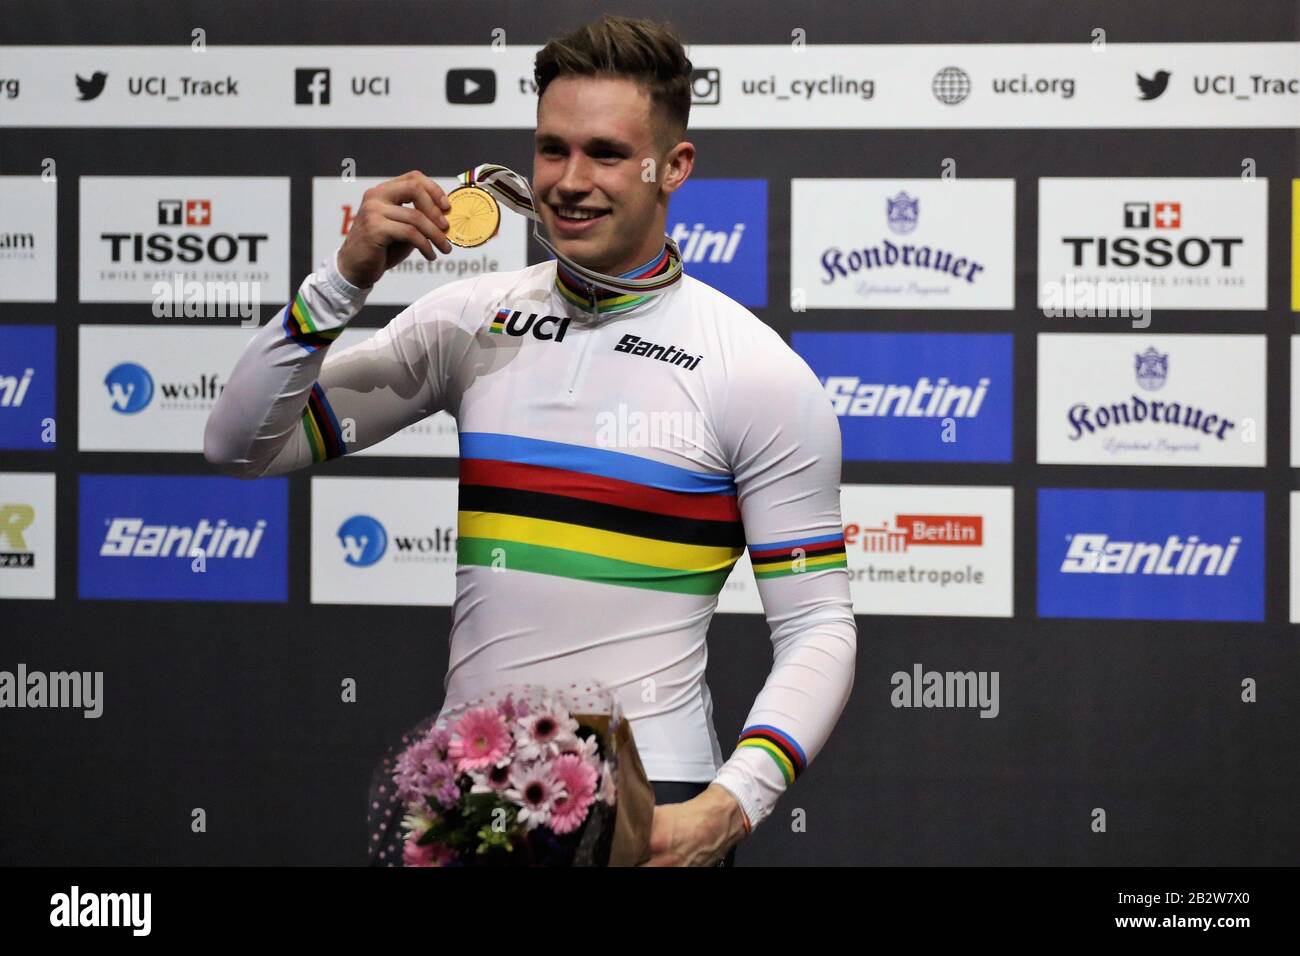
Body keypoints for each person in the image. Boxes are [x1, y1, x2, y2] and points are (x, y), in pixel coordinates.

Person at [204, 14, 856, 867]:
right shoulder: (469, 320)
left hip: (649, 807)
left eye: (607, 153)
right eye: (552, 150)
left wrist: (729, 806)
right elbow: (240, 444)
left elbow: (818, 626)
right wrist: (342, 281)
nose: (570, 181)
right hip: (467, 796)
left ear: (675, 167)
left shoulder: (755, 370)